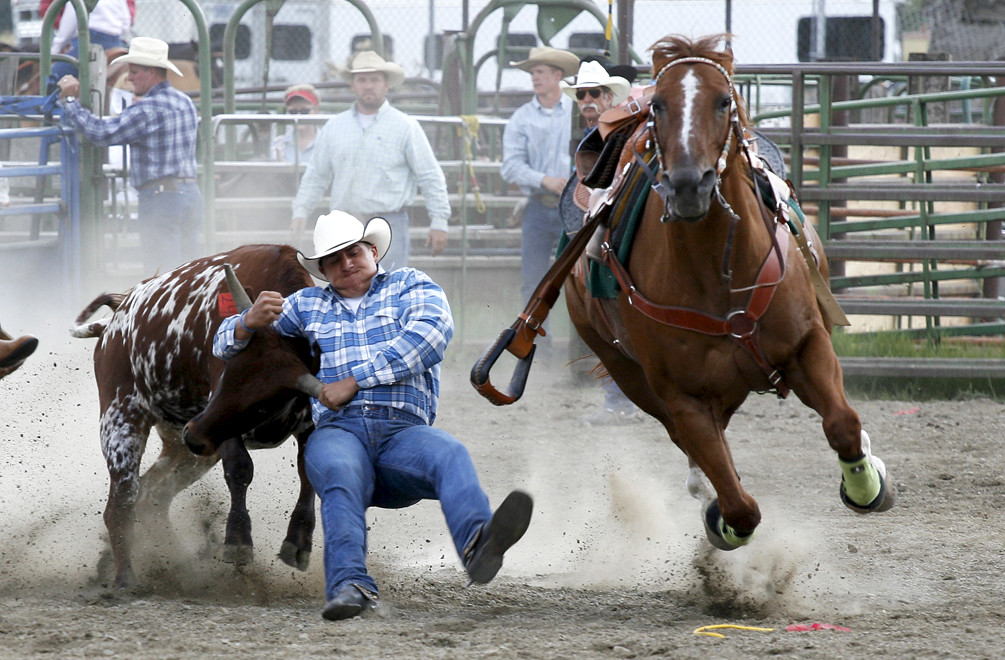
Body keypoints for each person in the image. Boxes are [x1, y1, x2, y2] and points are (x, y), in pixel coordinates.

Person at [214, 210, 534, 621]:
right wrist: (244, 323)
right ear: (325, 271)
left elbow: (431, 336)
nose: (346, 263)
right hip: (339, 431)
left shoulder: (411, 285)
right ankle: (351, 585)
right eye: (334, 259)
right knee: (342, 470)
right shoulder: (306, 305)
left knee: (449, 453)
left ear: (373, 251)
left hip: (402, 433)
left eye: (354, 252)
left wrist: (355, 380)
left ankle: (478, 546)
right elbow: (226, 347)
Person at [290, 51, 451, 270]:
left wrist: (439, 221)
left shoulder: (405, 126)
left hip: (389, 223)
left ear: (386, 85)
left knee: (389, 290)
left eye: (374, 80)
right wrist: (301, 211)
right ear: (352, 85)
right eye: (362, 80)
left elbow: (429, 175)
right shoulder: (334, 127)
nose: (368, 86)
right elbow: (316, 175)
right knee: (347, 291)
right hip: (345, 223)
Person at [56, 37, 203, 276]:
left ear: (151, 72)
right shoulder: (184, 102)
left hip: (161, 198)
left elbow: (99, 133)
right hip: (190, 195)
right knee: (191, 271)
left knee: (162, 274)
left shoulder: (146, 109)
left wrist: (70, 101)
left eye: (134, 72)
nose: (130, 78)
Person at [560, 59, 638, 418]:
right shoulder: (592, 136)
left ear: (609, 97)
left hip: (614, 226)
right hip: (598, 221)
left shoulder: (624, 130)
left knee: (607, 307)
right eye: (582, 95)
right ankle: (619, 397)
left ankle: (621, 399)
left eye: (594, 93)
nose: (588, 100)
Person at [500, 46, 580, 363]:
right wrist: (545, 179)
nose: (535, 78)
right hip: (538, 203)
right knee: (533, 281)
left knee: (577, 280)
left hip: (572, 205)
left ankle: (580, 352)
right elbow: (510, 167)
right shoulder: (522, 118)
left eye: (541, 73)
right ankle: (538, 353)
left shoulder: (574, 109)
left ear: (557, 76)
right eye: (533, 73)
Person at [48, 0, 133, 82]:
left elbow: (67, 29)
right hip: (116, 42)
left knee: (55, 73)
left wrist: (53, 51)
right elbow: (126, 23)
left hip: (89, 41)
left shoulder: (76, 2)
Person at [271, 83, 320, 164]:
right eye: (293, 112)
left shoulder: (328, 144)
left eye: (304, 111)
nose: (298, 116)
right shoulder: (278, 145)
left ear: (316, 110)